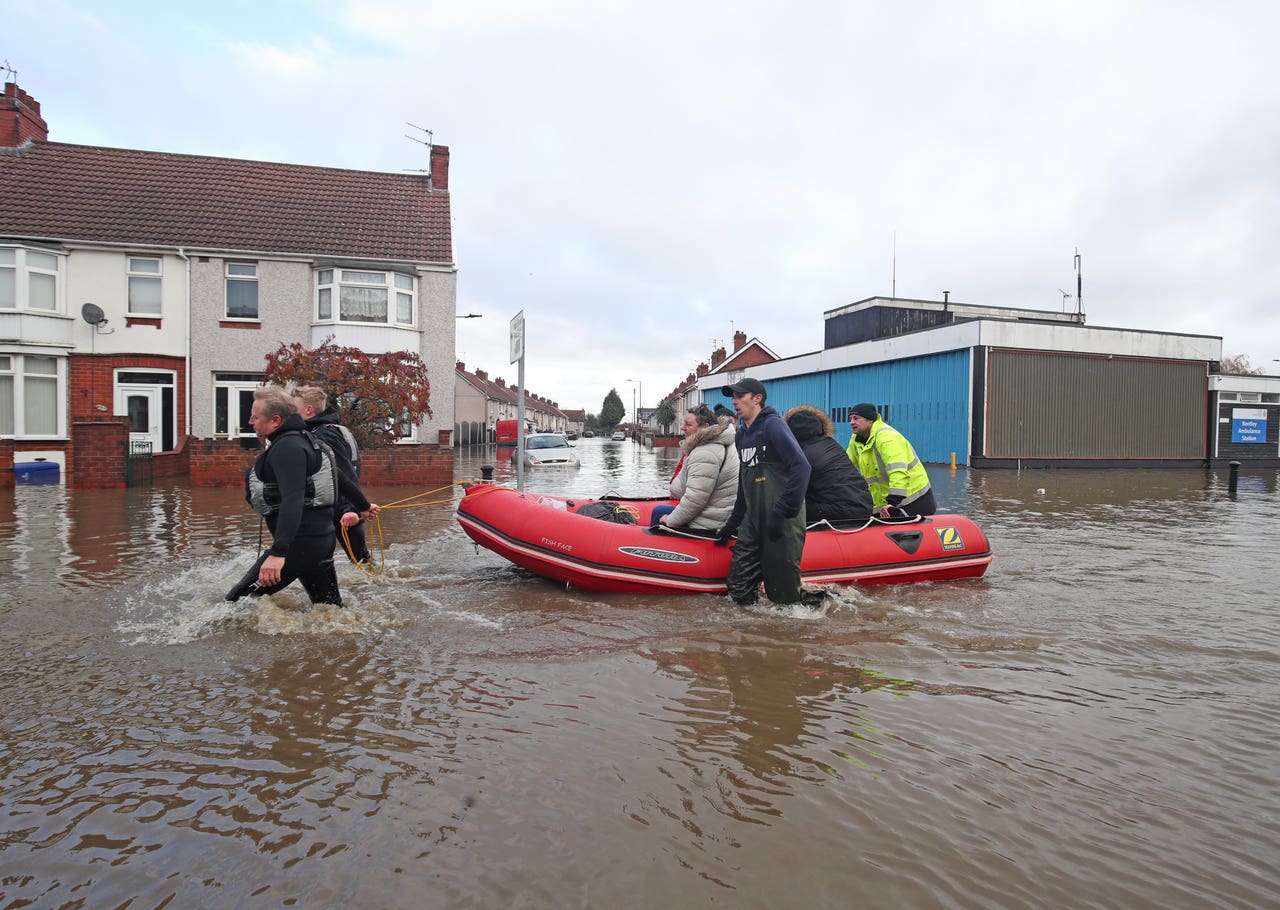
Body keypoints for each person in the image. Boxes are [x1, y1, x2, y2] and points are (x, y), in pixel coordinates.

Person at [227, 386, 379, 607]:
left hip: (298, 546)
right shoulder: (307, 441)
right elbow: (339, 477)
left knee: (234, 606)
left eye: (256, 416)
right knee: (330, 611)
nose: (251, 421)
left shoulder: (288, 448)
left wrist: (279, 553)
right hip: (319, 543)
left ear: (275, 421)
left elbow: (293, 499)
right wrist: (363, 506)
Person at [716, 378, 811, 606]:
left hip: (782, 520)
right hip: (753, 520)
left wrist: (781, 512)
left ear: (757, 398)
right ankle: (751, 635)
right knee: (738, 584)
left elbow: (802, 467)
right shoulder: (741, 436)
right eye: (733, 397)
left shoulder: (773, 426)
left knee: (784, 597)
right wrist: (732, 524)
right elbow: (744, 482)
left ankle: (810, 609)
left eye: (740, 396)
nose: (734, 401)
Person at [293, 385, 373, 566]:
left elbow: (344, 473)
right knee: (362, 564)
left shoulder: (324, 435)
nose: (292, 414)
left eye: (294, 409)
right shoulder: (329, 429)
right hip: (337, 508)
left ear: (308, 409)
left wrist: (350, 509)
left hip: (342, 511)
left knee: (362, 565)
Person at [650, 404, 739, 530]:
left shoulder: (705, 453)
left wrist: (670, 520)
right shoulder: (716, 444)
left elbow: (695, 499)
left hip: (708, 522)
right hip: (716, 514)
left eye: (688, 424)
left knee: (659, 512)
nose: (682, 428)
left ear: (705, 427)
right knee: (661, 510)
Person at [845, 402, 936, 519]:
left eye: (856, 418)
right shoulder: (856, 439)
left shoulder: (886, 438)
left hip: (913, 499)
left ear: (870, 420)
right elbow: (846, 466)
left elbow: (898, 471)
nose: (852, 422)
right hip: (884, 502)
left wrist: (893, 502)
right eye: (850, 418)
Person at [783, 405, 874, 522]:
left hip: (844, 509)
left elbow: (789, 488)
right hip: (863, 505)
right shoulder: (830, 444)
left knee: (784, 507)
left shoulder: (802, 454)